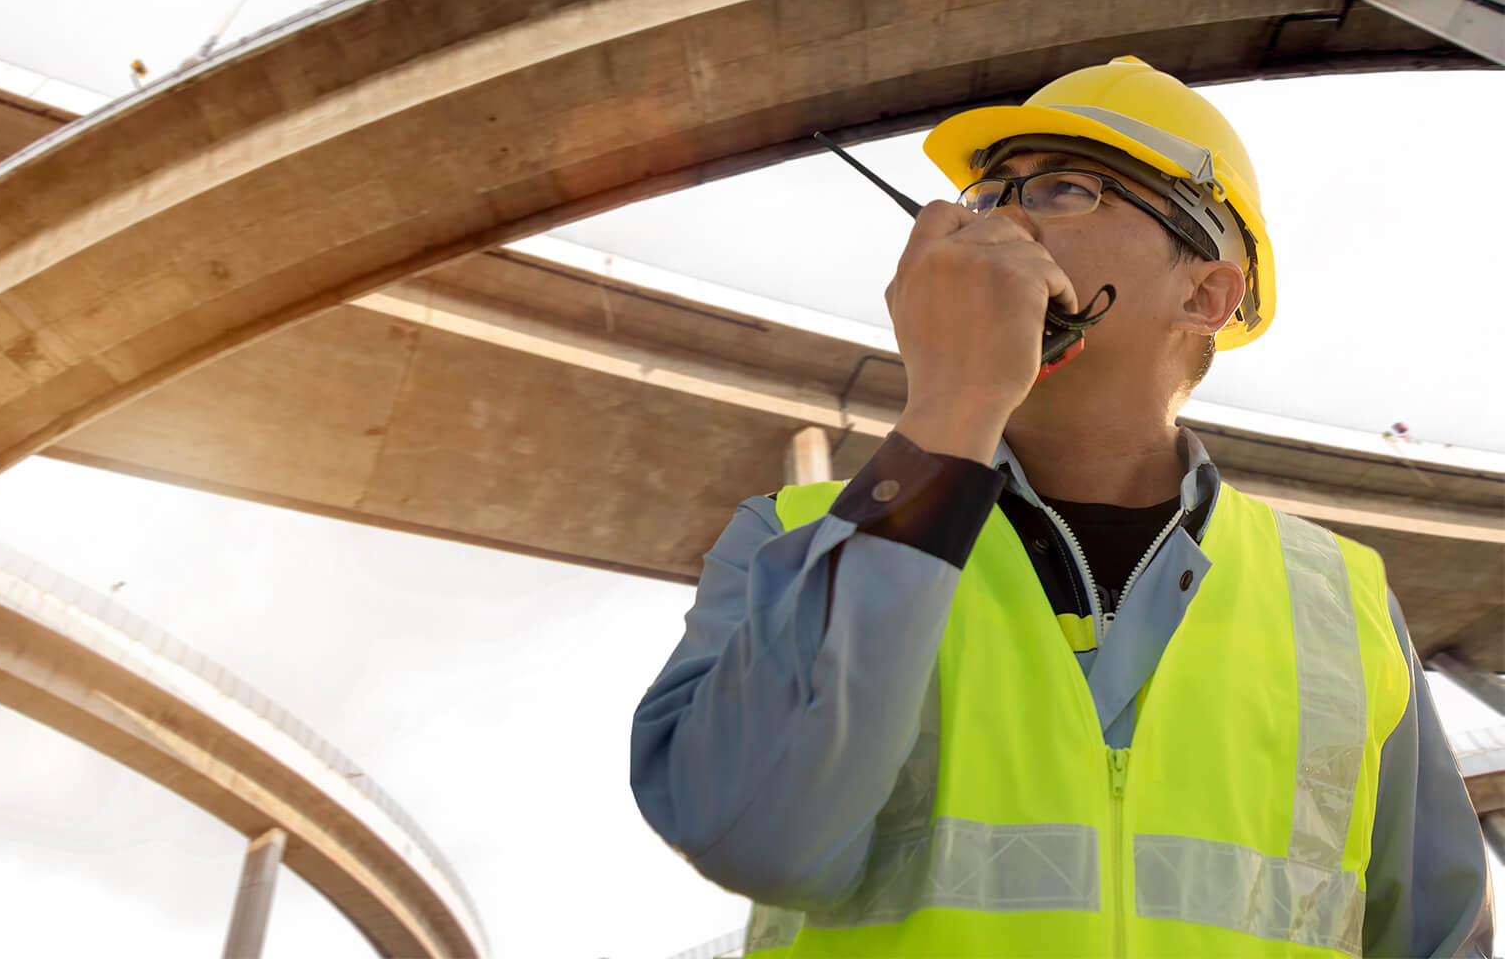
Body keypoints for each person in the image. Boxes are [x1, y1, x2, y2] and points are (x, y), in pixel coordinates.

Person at [629, 57, 1494, 957]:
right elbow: (755, 832)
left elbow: (1437, 940)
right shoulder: (794, 537)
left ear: (1206, 294)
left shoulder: (1341, 605)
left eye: (1063, 189)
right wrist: (952, 410)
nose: (996, 220)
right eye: (986, 194)